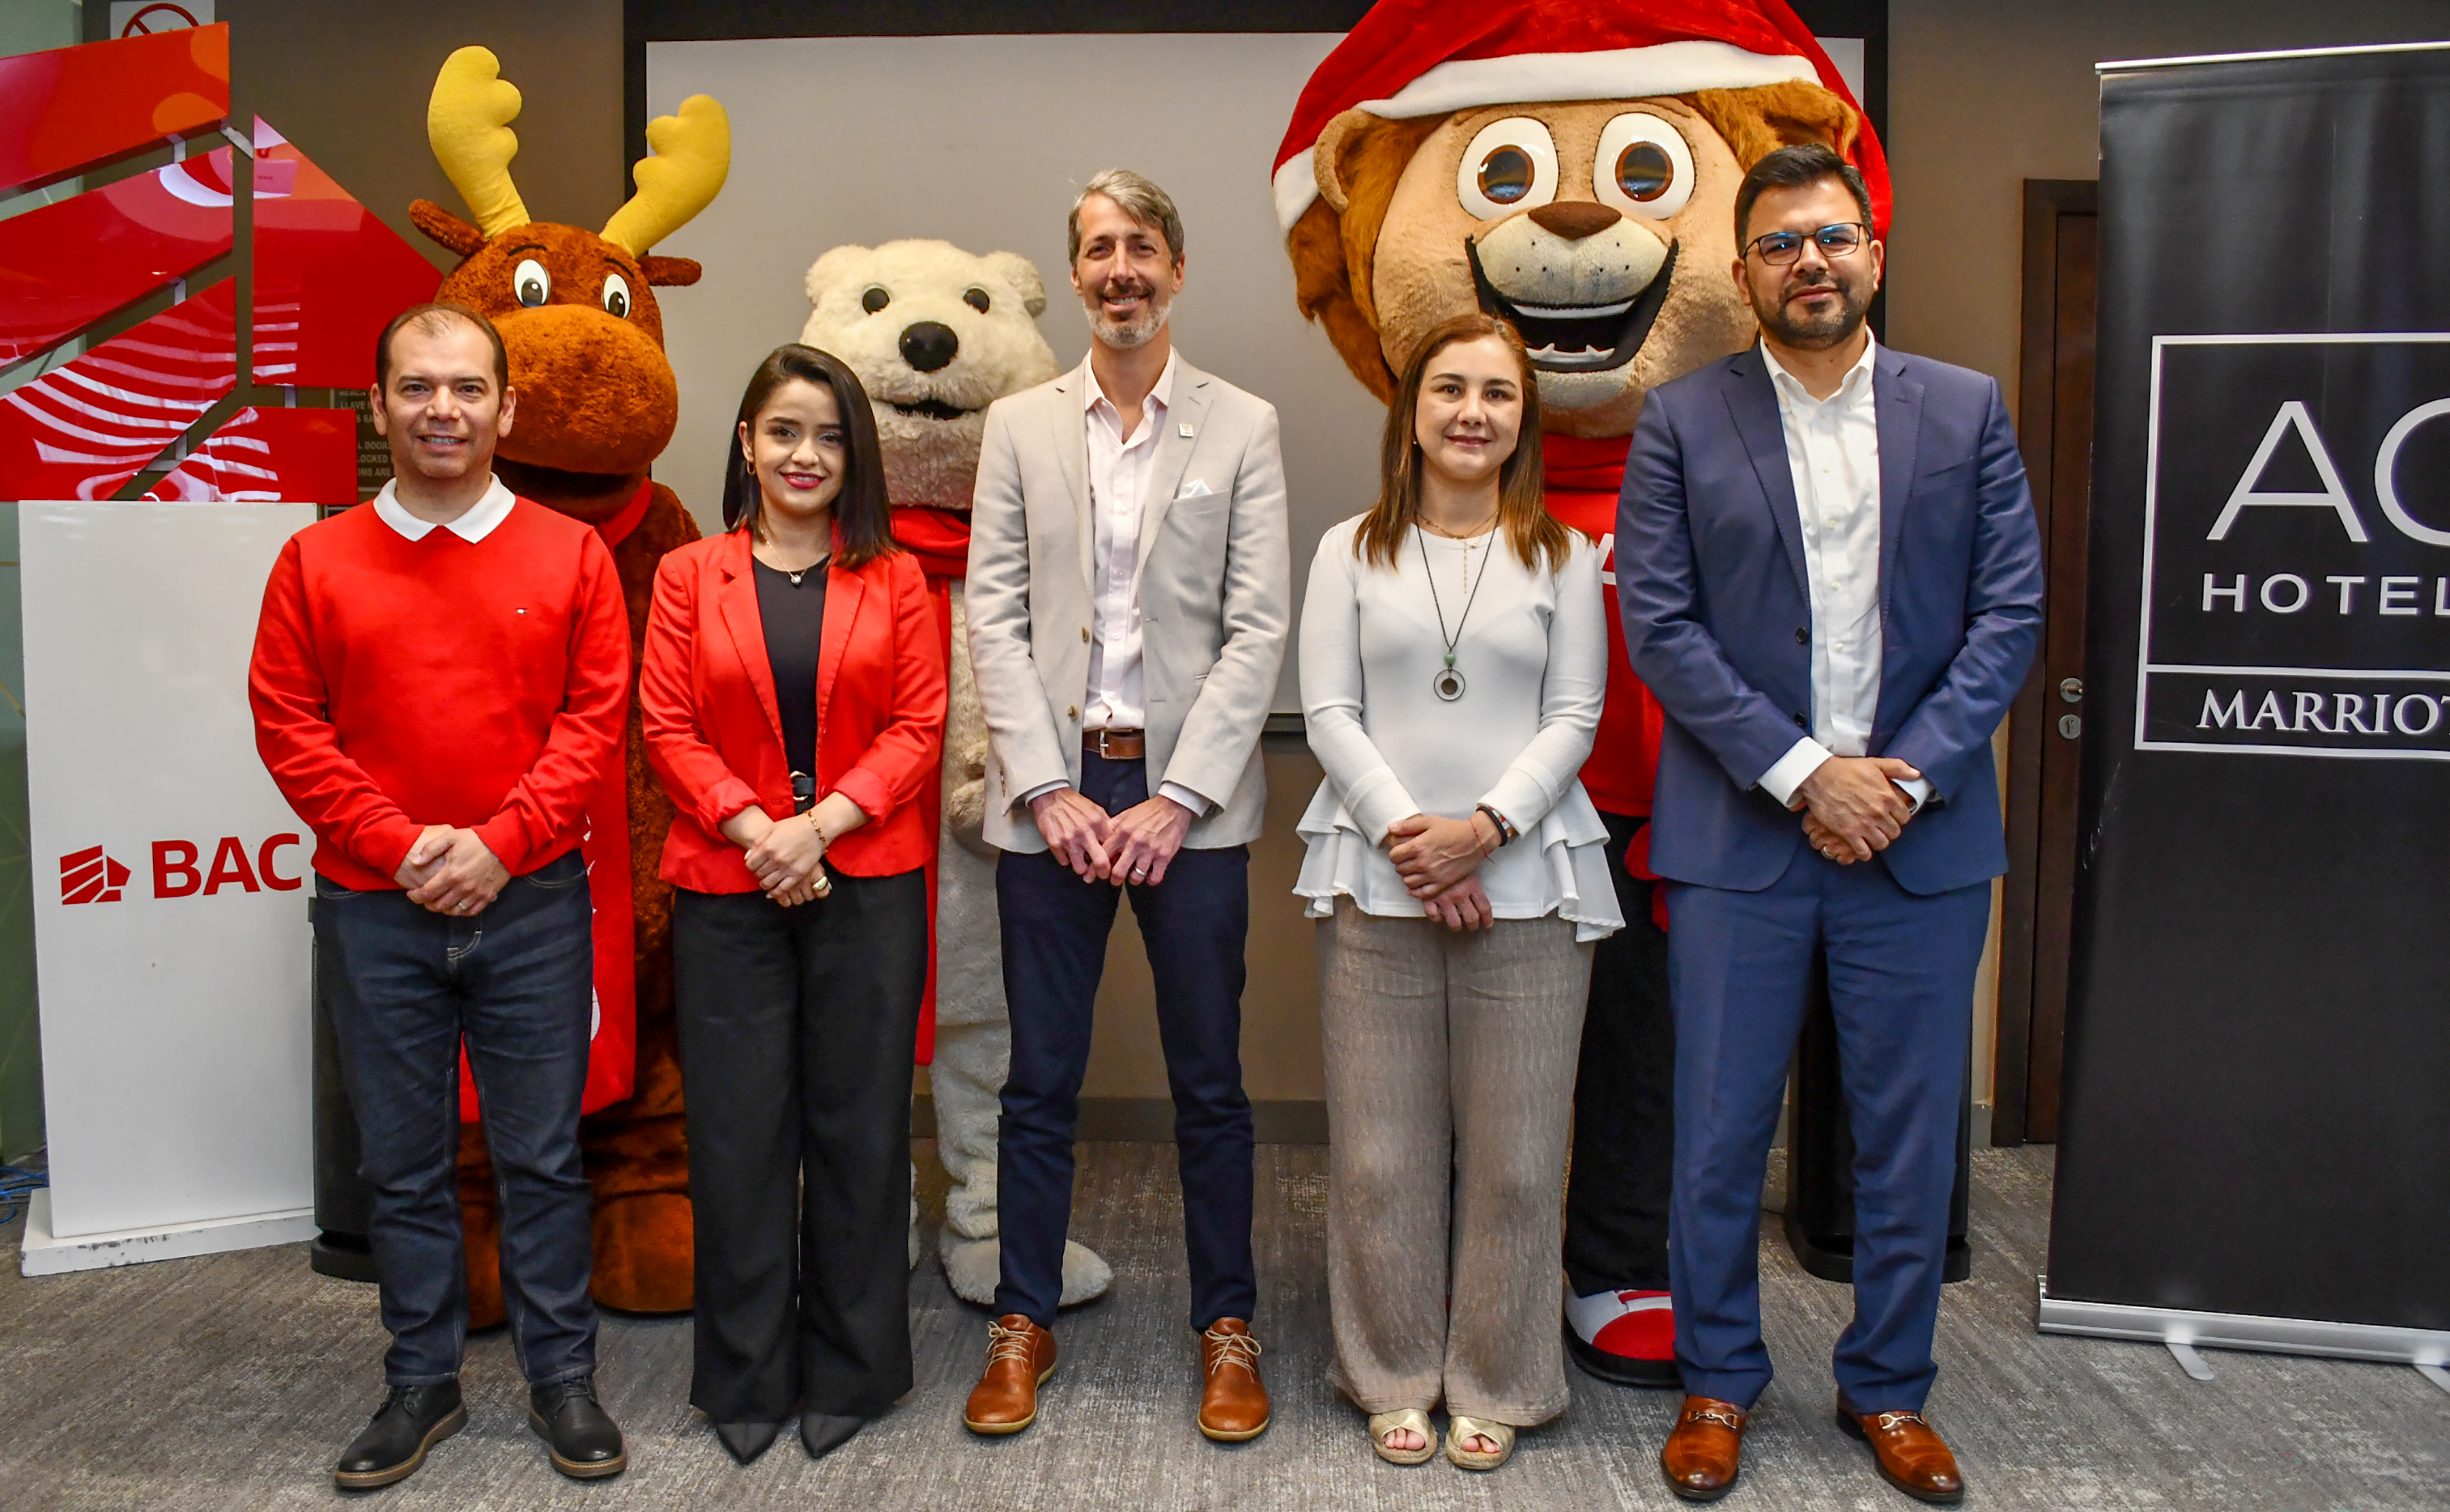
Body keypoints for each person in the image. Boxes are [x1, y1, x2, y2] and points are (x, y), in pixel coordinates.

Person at [1618, 143, 2044, 1505]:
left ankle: (1890, 1388)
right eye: (1781, 242)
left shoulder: (1967, 411)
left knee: (1909, 1137)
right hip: (1747, 839)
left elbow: (2008, 618)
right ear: (1743, 270)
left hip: (1918, 844)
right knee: (1720, 1130)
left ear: (1873, 254)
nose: (1811, 259)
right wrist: (1807, 772)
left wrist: (1900, 776)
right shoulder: (1681, 419)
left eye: (1834, 237)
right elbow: (1662, 625)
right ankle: (1719, 1381)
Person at [250, 302, 632, 1490]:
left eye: (468, 389)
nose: (443, 410)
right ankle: (420, 1383)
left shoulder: (572, 556)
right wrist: (401, 841)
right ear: (379, 407)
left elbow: (595, 720)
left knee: (541, 1157)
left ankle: (562, 1377)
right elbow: (288, 723)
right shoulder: (315, 559)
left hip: (530, 905)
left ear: (506, 409)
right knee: (404, 1164)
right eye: (417, 388)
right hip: (374, 905)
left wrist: (502, 844)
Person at [959, 169, 1291, 1442]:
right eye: (1096, 249)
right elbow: (992, 610)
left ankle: (1227, 1323)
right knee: (1040, 1078)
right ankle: (1022, 1317)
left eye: (1139, 246)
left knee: (1210, 1080)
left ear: (1177, 267)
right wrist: (1045, 785)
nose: (1118, 270)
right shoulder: (1019, 424)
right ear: (1078, 270)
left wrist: (1178, 799)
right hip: (1052, 794)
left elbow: (1257, 628)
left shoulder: (1243, 425)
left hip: (1187, 800)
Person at [1295, 314, 1622, 1472]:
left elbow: (1575, 715)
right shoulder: (1348, 549)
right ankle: (1389, 1371)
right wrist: (1410, 836)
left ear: (1524, 414)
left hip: (1530, 880)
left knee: (1520, 1157)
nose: (1473, 411)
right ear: (1413, 410)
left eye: (1496, 391)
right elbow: (1328, 709)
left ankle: (1498, 1375)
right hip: (1375, 879)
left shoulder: (1564, 556)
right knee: (1381, 1156)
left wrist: (1482, 830)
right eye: (1450, 389)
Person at [638, 344, 947, 1465]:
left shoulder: (896, 577)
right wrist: (758, 829)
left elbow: (918, 727)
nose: (804, 454)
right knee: (736, 1135)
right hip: (728, 885)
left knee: (859, 1131)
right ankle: (746, 1375)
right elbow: (666, 726)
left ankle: (856, 1369)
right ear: (747, 444)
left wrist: (819, 827)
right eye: (784, 432)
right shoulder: (691, 575)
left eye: (826, 435)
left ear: (852, 453)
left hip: (865, 884)